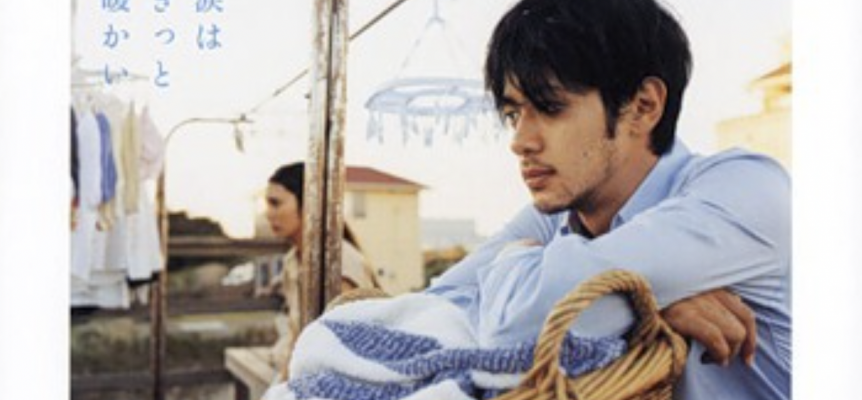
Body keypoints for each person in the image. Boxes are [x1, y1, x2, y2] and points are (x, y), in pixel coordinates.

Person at [426, 0, 790, 399]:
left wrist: (615, 302)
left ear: (643, 106)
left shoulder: (745, 191)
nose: (520, 141)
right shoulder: (554, 219)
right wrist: (645, 306)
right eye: (514, 114)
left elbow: (509, 333)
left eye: (550, 107)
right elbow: (431, 312)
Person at [263, 162, 381, 381]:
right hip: (307, 366)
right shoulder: (292, 261)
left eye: (275, 203)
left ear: (309, 203)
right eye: (267, 204)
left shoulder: (339, 261)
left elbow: (343, 343)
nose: (268, 214)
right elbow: (297, 332)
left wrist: (284, 383)